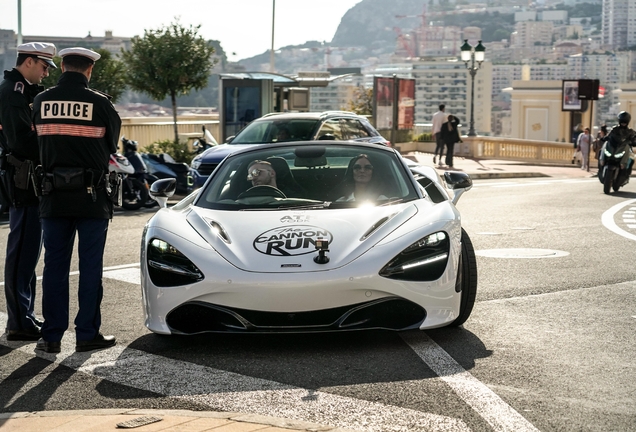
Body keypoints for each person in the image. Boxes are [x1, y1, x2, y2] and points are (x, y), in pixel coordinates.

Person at [32, 47, 121, 354]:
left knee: (54, 267)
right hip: (92, 198)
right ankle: (86, 334)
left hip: (52, 196)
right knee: (90, 266)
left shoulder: (41, 101)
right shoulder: (100, 102)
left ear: (61, 67)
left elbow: (35, 142)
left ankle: (51, 336)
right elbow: (112, 144)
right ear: (89, 70)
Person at [0, 42, 57, 341]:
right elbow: (22, 141)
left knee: (29, 253)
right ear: (30, 61)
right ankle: (19, 322)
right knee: (22, 251)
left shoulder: (25, 91)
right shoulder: (12, 93)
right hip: (22, 180)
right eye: (45, 66)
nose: (47, 73)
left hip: (29, 180)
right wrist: (53, 147)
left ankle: (25, 316)